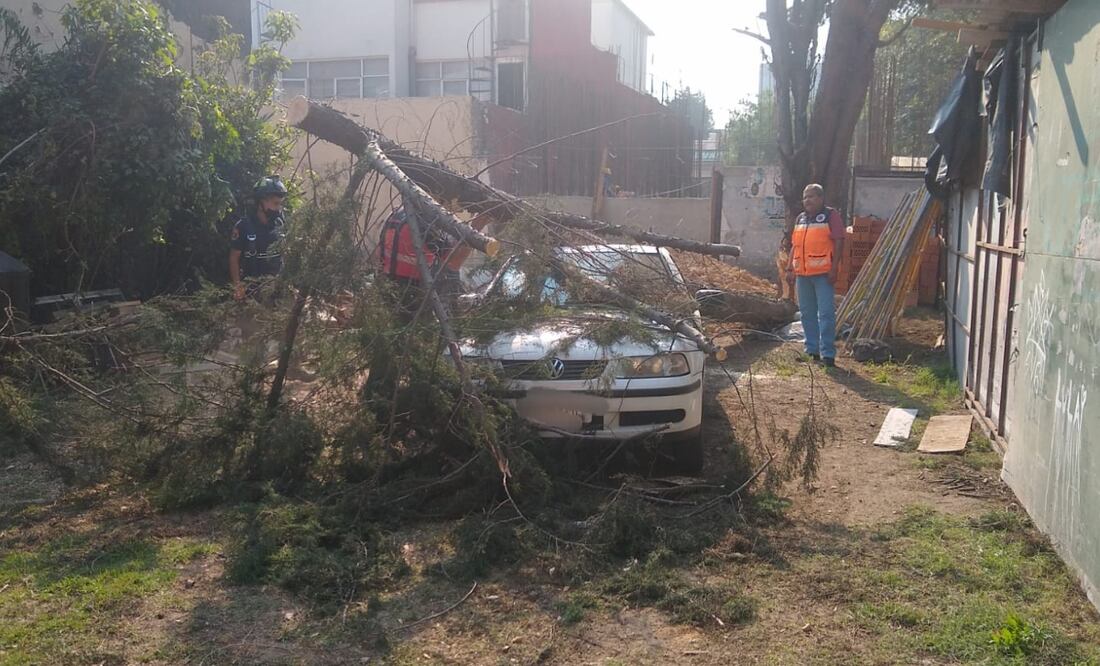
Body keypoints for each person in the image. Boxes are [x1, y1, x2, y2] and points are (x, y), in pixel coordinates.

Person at [786, 183, 845, 367]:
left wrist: (834, 268)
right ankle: (812, 350)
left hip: (823, 275)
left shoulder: (830, 216)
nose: (807, 200)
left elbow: (839, 241)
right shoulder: (801, 219)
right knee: (806, 313)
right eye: (805, 197)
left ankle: (828, 353)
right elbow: (795, 246)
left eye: (811, 196)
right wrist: (790, 269)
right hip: (802, 275)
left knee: (826, 313)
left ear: (821, 198)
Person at [230, 176, 288, 302]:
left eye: (280, 203)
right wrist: (237, 286)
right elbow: (234, 258)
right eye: (275, 203)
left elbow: (286, 253)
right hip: (251, 291)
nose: (279, 208)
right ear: (261, 202)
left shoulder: (281, 224)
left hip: (276, 290)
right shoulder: (244, 226)